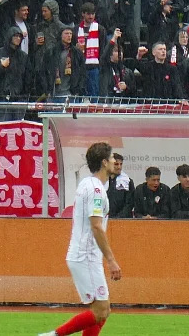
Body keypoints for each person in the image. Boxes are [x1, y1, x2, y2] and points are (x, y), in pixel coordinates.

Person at [39, 141, 122, 336]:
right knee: (101, 309)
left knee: (102, 311)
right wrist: (111, 260)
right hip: (86, 256)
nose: (115, 162)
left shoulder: (88, 183)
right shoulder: (96, 190)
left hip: (84, 255)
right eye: (111, 158)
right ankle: (53, 335)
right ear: (103, 162)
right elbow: (96, 226)